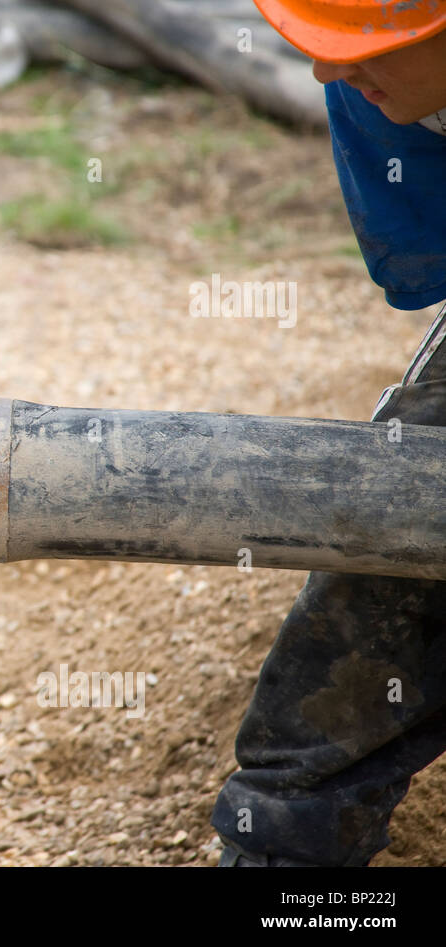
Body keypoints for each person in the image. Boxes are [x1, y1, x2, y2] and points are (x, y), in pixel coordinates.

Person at [214, 0, 446, 866]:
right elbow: (430, 263)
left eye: (357, 48)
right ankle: (292, 863)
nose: (323, 71)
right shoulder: (370, 93)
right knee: (387, 568)